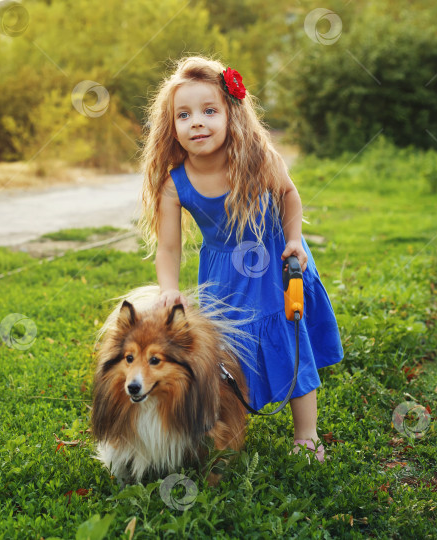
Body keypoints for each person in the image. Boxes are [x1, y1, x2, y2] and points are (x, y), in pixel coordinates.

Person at [137, 55, 344, 463]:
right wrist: (169, 289)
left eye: (209, 110)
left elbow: (289, 195)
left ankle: (307, 435)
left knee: (288, 341)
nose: (197, 121)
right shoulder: (174, 184)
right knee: (225, 359)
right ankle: (228, 433)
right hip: (223, 278)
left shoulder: (257, 158)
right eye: (184, 114)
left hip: (275, 264)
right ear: (170, 126)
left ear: (231, 114)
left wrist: (295, 239)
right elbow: (169, 248)